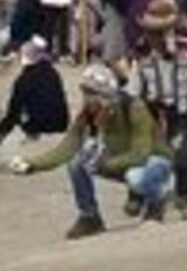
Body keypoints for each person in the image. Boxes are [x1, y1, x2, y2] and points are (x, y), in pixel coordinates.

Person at [62, 63, 178, 237]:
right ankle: (90, 217)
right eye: (85, 93)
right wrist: (31, 165)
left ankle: (156, 201)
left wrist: (105, 164)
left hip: (155, 161)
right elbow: (68, 147)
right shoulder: (93, 113)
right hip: (125, 159)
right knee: (77, 163)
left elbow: (141, 154)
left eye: (91, 93)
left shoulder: (134, 108)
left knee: (136, 177)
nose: (86, 98)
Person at [123, 0, 187, 214]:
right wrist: (132, 102)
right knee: (143, 153)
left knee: (185, 154)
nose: (153, 37)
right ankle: (137, 195)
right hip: (152, 110)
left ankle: (184, 195)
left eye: (158, 31)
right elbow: (134, 82)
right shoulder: (141, 53)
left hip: (181, 110)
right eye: (150, 31)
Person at [0, 36, 70, 149]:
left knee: (20, 111)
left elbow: (13, 111)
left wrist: (0, 134)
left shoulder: (23, 79)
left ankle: (33, 135)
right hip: (61, 123)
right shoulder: (53, 73)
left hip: (38, 125)